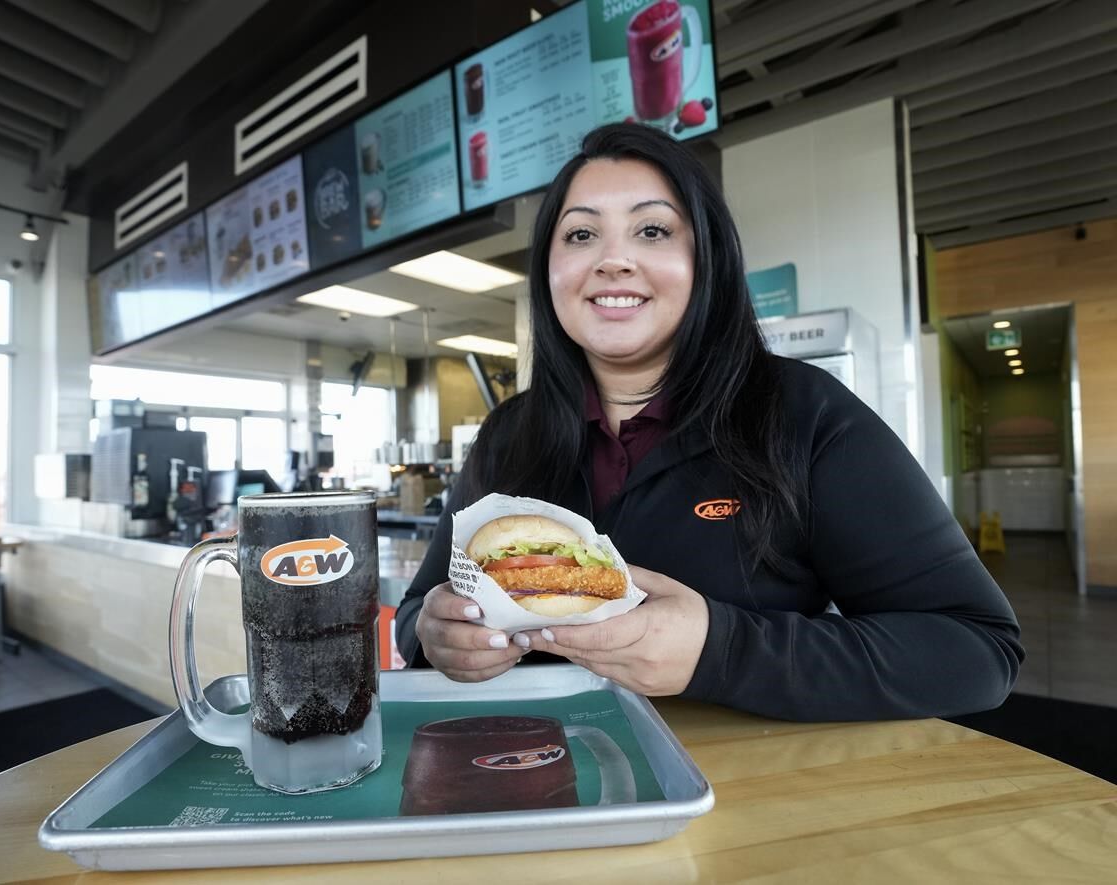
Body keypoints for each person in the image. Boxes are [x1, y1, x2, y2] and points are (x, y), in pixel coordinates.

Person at [394, 123, 1022, 721]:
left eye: (653, 231)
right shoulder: (510, 435)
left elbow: (976, 650)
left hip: (748, 804)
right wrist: (436, 634)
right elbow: (422, 609)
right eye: (581, 235)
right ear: (548, 270)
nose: (613, 260)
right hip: (533, 783)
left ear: (706, 260)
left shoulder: (802, 415)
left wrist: (719, 651)